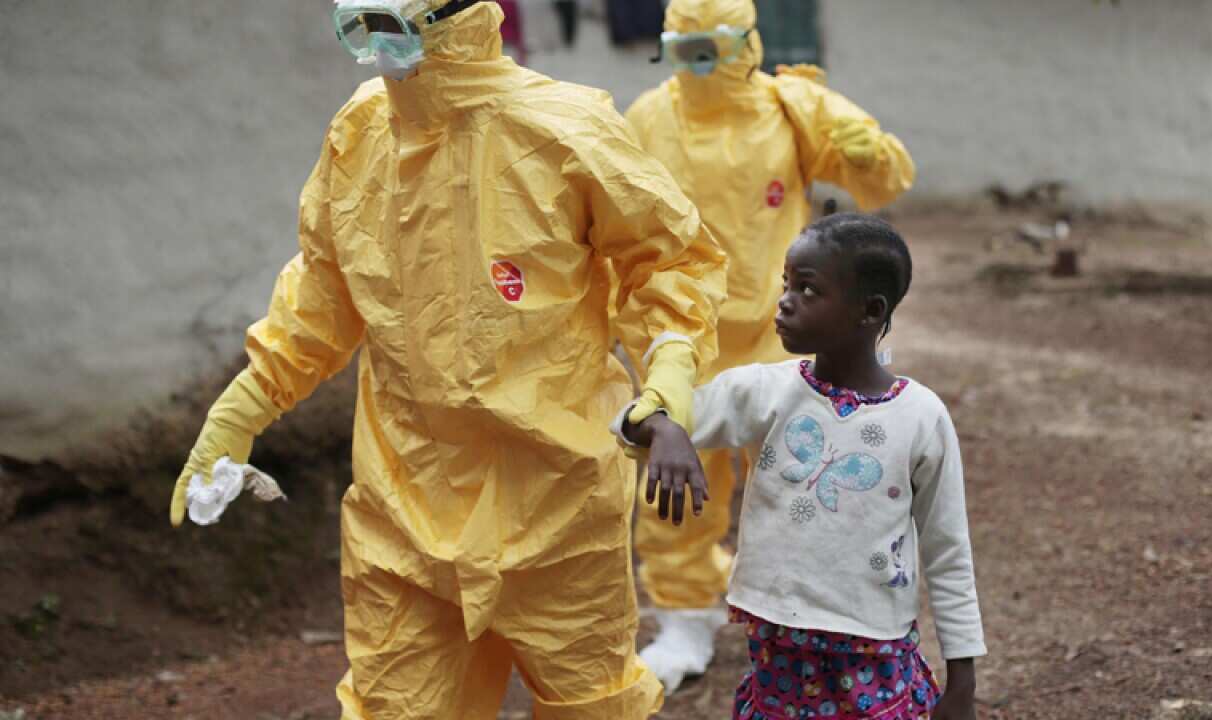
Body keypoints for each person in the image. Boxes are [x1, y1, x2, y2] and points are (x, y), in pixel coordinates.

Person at [167, 1, 727, 718]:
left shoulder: (565, 131)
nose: (373, 48)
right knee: (397, 705)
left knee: (591, 703)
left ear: (451, 19)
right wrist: (243, 407)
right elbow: (323, 291)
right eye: (358, 27)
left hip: (555, 498)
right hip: (404, 503)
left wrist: (671, 377)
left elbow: (669, 260)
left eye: (388, 24)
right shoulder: (363, 131)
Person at [623, 0, 917, 693]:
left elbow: (884, 180)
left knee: (803, 479)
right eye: (683, 46)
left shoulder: (789, 107)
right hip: (682, 332)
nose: (696, 61)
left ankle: (814, 612)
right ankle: (685, 618)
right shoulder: (646, 118)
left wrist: (854, 138)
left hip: (780, 330)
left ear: (743, 43)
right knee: (676, 481)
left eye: (709, 46)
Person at [616, 214, 986, 719]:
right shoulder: (765, 391)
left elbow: (948, 552)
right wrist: (664, 429)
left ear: (869, 311)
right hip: (778, 656)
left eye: (808, 290)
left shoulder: (920, 418)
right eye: (787, 284)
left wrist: (962, 682)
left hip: (873, 656)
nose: (785, 300)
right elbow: (629, 425)